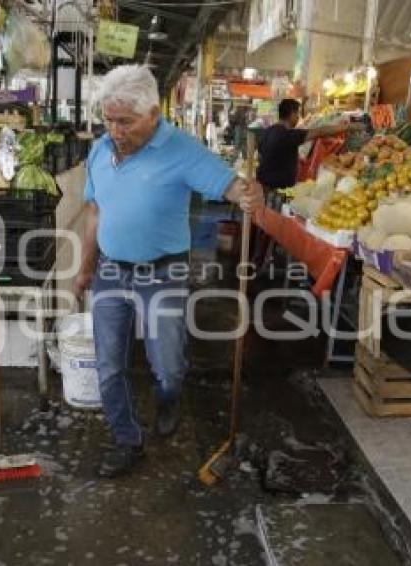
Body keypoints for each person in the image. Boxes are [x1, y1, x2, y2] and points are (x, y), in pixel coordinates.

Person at [74, 65, 264, 479]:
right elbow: (94, 212)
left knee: (169, 365)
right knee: (108, 365)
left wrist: (247, 191)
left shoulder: (181, 149)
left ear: (153, 114)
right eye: (109, 119)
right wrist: (84, 268)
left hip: (162, 273)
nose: (115, 130)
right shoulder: (99, 151)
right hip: (109, 270)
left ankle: (168, 397)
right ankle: (127, 440)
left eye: (125, 121)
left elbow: (230, 186)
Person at [256, 98, 360, 191]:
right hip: (275, 189)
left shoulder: (268, 131)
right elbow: (319, 132)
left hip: (263, 184)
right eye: (297, 114)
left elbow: (259, 156)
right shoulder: (288, 135)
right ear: (292, 114)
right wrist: (347, 127)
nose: (298, 117)